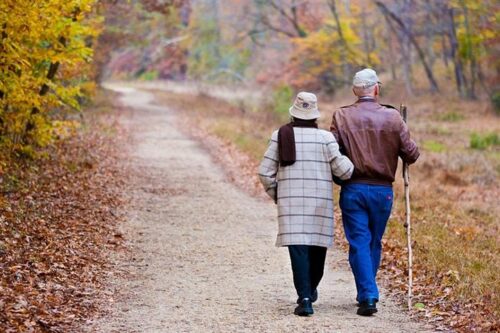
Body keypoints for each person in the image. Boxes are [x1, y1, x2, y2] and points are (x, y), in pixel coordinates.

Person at [330, 68, 420, 316]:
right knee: (372, 241)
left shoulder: (341, 116)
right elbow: (411, 154)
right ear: (376, 89)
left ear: (354, 91)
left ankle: (367, 293)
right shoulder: (392, 117)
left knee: (359, 241)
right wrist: (401, 131)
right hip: (382, 192)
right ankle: (368, 293)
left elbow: (331, 151)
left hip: (353, 188)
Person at [258, 92, 354, 316]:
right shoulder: (326, 139)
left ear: (293, 113)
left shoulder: (280, 136)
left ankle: (305, 298)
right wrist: (348, 157)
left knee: (298, 250)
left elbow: (265, 172)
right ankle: (309, 291)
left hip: (290, 205)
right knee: (317, 251)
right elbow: (345, 171)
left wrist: (277, 194)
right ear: (315, 116)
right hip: (319, 204)